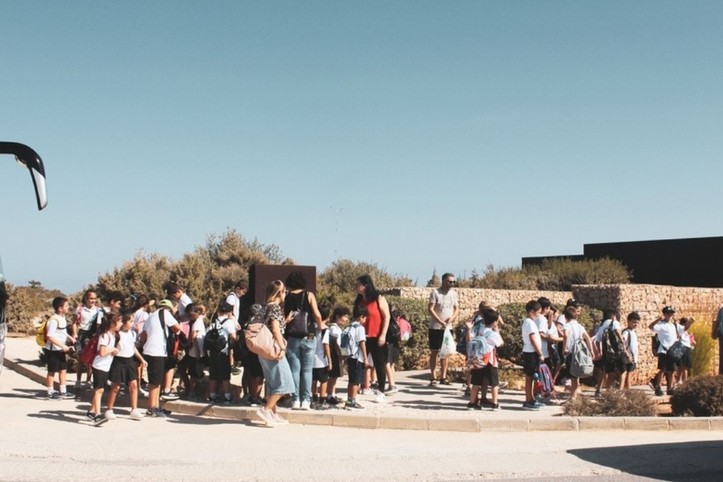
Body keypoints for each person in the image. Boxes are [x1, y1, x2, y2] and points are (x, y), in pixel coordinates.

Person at [255, 280, 295, 426]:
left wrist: (285, 321)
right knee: (285, 382)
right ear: (279, 293)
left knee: (272, 382)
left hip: (264, 348)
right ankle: (265, 410)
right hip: (274, 349)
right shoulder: (275, 308)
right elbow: (275, 329)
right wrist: (282, 347)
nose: (286, 293)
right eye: (284, 291)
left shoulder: (265, 307)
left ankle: (273, 413)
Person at [283, 271, 322, 410]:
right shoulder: (309, 295)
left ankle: (295, 400)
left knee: (294, 370)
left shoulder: (286, 297)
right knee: (307, 370)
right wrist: (321, 324)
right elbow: (316, 313)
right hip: (309, 335)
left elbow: (283, 315)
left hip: (292, 336)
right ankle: (306, 400)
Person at [140, 299, 181, 418]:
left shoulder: (151, 316)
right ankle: (151, 408)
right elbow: (177, 327)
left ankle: (156, 406)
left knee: (157, 381)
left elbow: (144, 335)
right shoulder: (165, 313)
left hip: (151, 350)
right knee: (154, 382)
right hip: (156, 351)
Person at [105, 312, 147, 421]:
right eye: (131, 321)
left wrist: (141, 359)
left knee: (133, 384)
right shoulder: (116, 334)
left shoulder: (132, 334)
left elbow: (133, 347)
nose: (133, 323)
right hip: (118, 361)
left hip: (129, 361)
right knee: (116, 386)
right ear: (123, 323)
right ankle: (109, 409)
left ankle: (134, 409)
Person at [88, 312, 122, 425]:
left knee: (100, 389)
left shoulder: (113, 335)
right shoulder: (105, 335)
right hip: (99, 366)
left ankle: (91, 411)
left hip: (105, 366)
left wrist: (112, 351)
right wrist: (112, 350)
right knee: (100, 390)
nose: (121, 324)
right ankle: (98, 414)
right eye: (119, 321)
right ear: (112, 323)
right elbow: (102, 352)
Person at [467, 308, 503, 410]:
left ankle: (472, 403)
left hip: (478, 359)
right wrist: (497, 331)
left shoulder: (478, 330)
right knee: (494, 383)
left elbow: (469, 339)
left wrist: (468, 329)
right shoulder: (493, 334)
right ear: (495, 322)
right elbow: (500, 344)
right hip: (490, 360)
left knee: (476, 382)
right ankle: (495, 403)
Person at [427, 273, 459, 385]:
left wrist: (451, 319)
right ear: (444, 281)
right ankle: (433, 376)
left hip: (448, 328)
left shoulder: (453, 294)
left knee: (446, 352)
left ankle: (444, 377)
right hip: (435, 328)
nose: (452, 284)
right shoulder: (435, 293)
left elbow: (456, 309)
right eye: (450, 282)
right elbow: (430, 309)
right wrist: (439, 321)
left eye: (453, 282)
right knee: (434, 351)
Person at [43, 296, 75, 400]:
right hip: (53, 350)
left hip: (60, 350)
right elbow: (50, 336)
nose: (68, 307)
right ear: (60, 308)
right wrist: (63, 346)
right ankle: (50, 392)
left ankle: (63, 391)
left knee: (63, 369)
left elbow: (63, 332)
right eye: (66, 305)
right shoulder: (53, 320)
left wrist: (70, 338)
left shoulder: (62, 319)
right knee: (52, 371)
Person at [208, 301, 238, 405]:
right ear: (229, 312)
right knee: (225, 376)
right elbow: (233, 336)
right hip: (223, 352)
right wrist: (232, 345)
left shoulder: (213, 321)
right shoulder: (229, 322)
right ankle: (227, 397)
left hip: (213, 352)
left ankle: (212, 396)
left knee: (213, 375)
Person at [165, 283, 192, 399]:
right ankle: (184, 386)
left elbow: (189, 314)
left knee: (182, 363)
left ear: (177, 292)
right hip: (183, 330)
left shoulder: (185, 301)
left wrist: (180, 317)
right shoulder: (182, 300)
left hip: (184, 332)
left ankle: (188, 387)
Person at [561, 306, 594, 400]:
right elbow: (588, 338)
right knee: (575, 376)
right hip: (579, 352)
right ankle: (573, 396)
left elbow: (565, 336)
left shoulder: (567, 325)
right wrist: (591, 351)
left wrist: (564, 348)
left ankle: (573, 397)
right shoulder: (580, 326)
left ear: (566, 317)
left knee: (572, 375)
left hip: (571, 352)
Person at [73, 289, 103, 393]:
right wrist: (75, 334)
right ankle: (78, 381)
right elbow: (75, 323)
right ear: (86, 298)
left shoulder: (98, 311)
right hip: (82, 334)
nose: (93, 300)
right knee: (81, 359)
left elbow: (99, 325)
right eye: (91, 298)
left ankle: (88, 380)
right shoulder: (80, 309)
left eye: (95, 298)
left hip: (92, 336)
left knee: (90, 359)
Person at [592, 309, 624, 396]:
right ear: (613, 316)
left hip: (606, 351)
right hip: (615, 351)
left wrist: (600, 351)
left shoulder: (602, 326)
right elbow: (617, 331)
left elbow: (597, 340)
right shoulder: (614, 322)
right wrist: (622, 342)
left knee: (604, 371)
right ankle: (613, 391)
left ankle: (599, 390)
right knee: (617, 371)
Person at [648, 306, 678, 396]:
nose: (670, 315)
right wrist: (658, 320)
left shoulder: (673, 325)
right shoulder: (661, 324)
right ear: (664, 314)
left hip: (672, 350)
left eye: (671, 313)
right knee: (663, 369)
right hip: (664, 349)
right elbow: (650, 326)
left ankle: (670, 388)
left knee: (672, 370)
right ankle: (658, 386)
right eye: (668, 313)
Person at [521, 300, 545, 410]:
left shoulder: (530, 322)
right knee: (530, 377)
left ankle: (531, 399)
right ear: (531, 312)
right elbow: (532, 339)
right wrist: (540, 353)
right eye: (538, 312)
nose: (539, 315)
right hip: (531, 352)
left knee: (532, 376)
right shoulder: (529, 323)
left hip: (531, 352)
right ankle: (528, 400)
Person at [345, 303, 368, 409]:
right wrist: (365, 358)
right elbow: (362, 343)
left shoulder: (349, 326)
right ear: (361, 317)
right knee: (356, 381)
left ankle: (349, 399)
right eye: (365, 317)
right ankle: (352, 400)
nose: (365, 320)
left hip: (349, 356)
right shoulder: (360, 328)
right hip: (357, 357)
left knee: (351, 380)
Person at [326, 306, 349, 405]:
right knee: (332, 376)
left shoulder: (338, 328)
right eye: (344, 316)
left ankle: (333, 394)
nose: (346, 319)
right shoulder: (333, 329)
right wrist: (342, 354)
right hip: (335, 354)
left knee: (335, 376)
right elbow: (336, 344)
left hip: (338, 354)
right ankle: (329, 395)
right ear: (337, 316)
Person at [185, 303, 207, 401]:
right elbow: (194, 337)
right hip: (195, 352)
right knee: (196, 374)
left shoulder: (198, 320)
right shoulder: (197, 321)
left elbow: (203, 311)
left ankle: (194, 392)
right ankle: (194, 392)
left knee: (196, 373)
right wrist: (198, 351)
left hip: (195, 351)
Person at [311, 304, 331, 410]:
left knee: (313, 380)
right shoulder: (325, 329)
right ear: (328, 316)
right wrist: (329, 360)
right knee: (323, 380)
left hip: (311, 358)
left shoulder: (312, 327)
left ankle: (314, 400)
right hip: (321, 359)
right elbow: (326, 345)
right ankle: (322, 400)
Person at [225, 280, 248, 374]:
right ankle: (229, 365)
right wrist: (235, 322)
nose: (243, 294)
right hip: (230, 324)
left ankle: (231, 363)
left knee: (232, 346)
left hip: (233, 323)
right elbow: (229, 312)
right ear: (238, 288)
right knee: (230, 345)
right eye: (242, 291)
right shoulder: (231, 298)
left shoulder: (236, 298)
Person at [620, 312, 640, 390]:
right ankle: (623, 390)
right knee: (625, 373)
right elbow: (622, 343)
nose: (635, 324)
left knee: (629, 374)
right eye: (633, 322)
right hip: (627, 356)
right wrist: (628, 355)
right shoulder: (626, 332)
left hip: (632, 357)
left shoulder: (633, 332)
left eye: (637, 323)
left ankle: (627, 390)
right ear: (628, 321)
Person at [675, 317, 695, 385]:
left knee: (681, 366)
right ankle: (685, 383)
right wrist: (691, 322)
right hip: (683, 347)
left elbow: (692, 341)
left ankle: (679, 381)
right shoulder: (681, 328)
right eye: (686, 323)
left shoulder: (684, 331)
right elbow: (687, 326)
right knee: (684, 367)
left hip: (685, 347)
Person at [713, 305, 723, 375]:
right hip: (721, 334)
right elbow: (717, 321)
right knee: (722, 355)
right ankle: (721, 375)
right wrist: (714, 331)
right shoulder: (721, 310)